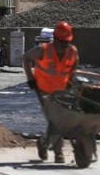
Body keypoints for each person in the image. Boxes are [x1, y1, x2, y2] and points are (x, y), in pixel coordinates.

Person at [22, 21, 78, 164]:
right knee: (55, 121)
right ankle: (59, 153)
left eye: (66, 42)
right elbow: (26, 57)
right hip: (44, 90)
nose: (63, 45)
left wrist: (71, 85)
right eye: (60, 42)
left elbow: (72, 70)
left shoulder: (73, 53)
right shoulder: (43, 50)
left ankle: (43, 142)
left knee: (57, 121)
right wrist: (30, 78)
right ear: (55, 39)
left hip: (61, 91)